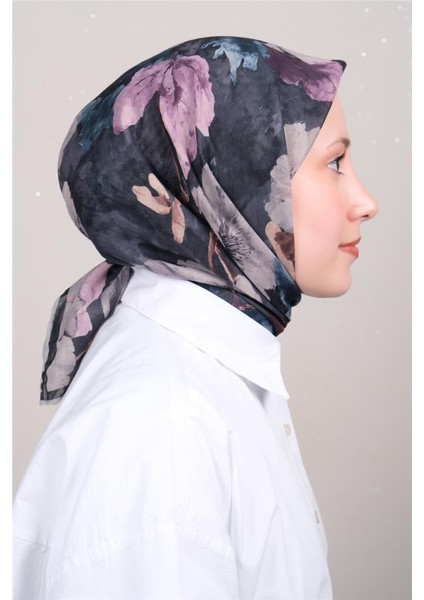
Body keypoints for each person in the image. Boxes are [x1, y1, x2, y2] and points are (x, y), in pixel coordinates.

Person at [13, 35, 378, 599]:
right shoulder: (165, 429)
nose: (366, 202)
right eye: (334, 163)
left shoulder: (199, 383)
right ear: (236, 177)